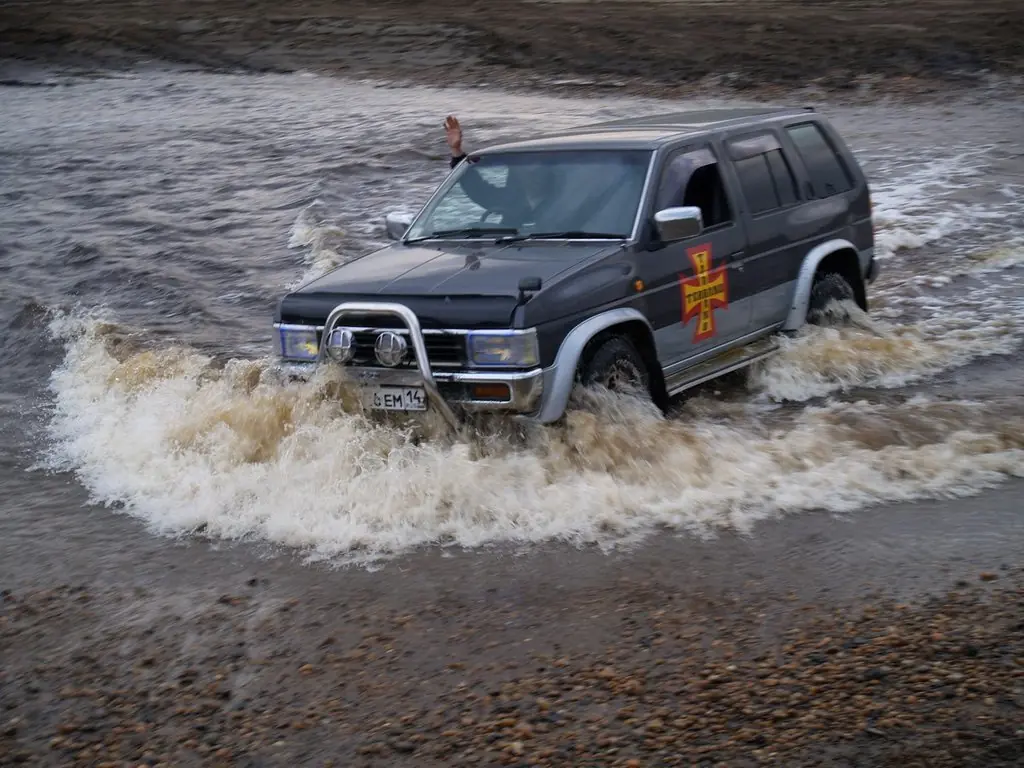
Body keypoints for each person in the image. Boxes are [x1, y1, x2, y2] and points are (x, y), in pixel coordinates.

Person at [443, 114, 557, 229]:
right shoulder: (511, 200)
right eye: (525, 165)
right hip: (508, 245)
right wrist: (456, 151)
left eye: (538, 164)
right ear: (515, 171)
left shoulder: (565, 201)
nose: (533, 170)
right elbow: (476, 188)